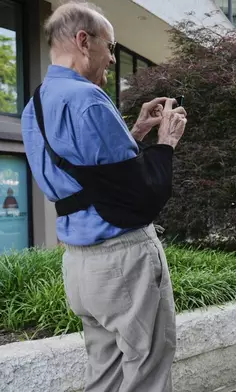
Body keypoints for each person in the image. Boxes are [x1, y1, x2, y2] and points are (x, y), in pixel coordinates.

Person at [21, 3, 187, 392]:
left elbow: (92, 176)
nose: (112, 58)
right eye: (110, 47)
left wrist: (138, 132)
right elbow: (139, 196)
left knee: (105, 371)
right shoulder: (89, 99)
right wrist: (166, 143)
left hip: (81, 267)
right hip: (123, 260)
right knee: (147, 365)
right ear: (84, 41)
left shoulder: (35, 106)